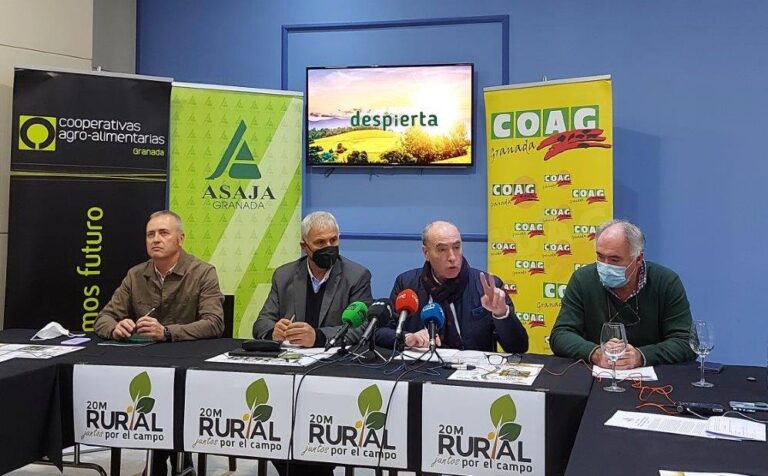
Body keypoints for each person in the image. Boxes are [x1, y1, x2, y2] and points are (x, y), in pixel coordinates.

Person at [94, 210, 224, 475]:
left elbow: (215, 323)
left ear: (180, 239)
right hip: (144, 366)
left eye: (163, 233)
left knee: (167, 396)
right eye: (150, 234)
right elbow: (103, 319)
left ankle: (162, 462)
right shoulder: (135, 274)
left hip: (186, 367)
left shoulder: (203, 272)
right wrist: (116, 327)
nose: (155, 239)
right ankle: (170, 460)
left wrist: (167, 332)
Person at [550, 219, 696, 369]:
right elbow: (560, 335)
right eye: (600, 256)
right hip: (597, 378)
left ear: (638, 259)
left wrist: (641, 356)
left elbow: (686, 341)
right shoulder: (582, 280)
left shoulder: (666, 282)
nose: (605, 265)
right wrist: (596, 353)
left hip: (652, 381)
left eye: (614, 259)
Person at [376, 220, 528, 353]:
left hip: (471, 376)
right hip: (421, 372)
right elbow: (380, 332)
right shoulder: (407, 283)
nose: (452, 257)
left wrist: (502, 314)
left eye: (456, 247)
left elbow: (518, 347)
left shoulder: (486, 287)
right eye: (442, 249)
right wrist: (407, 337)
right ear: (426, 253)